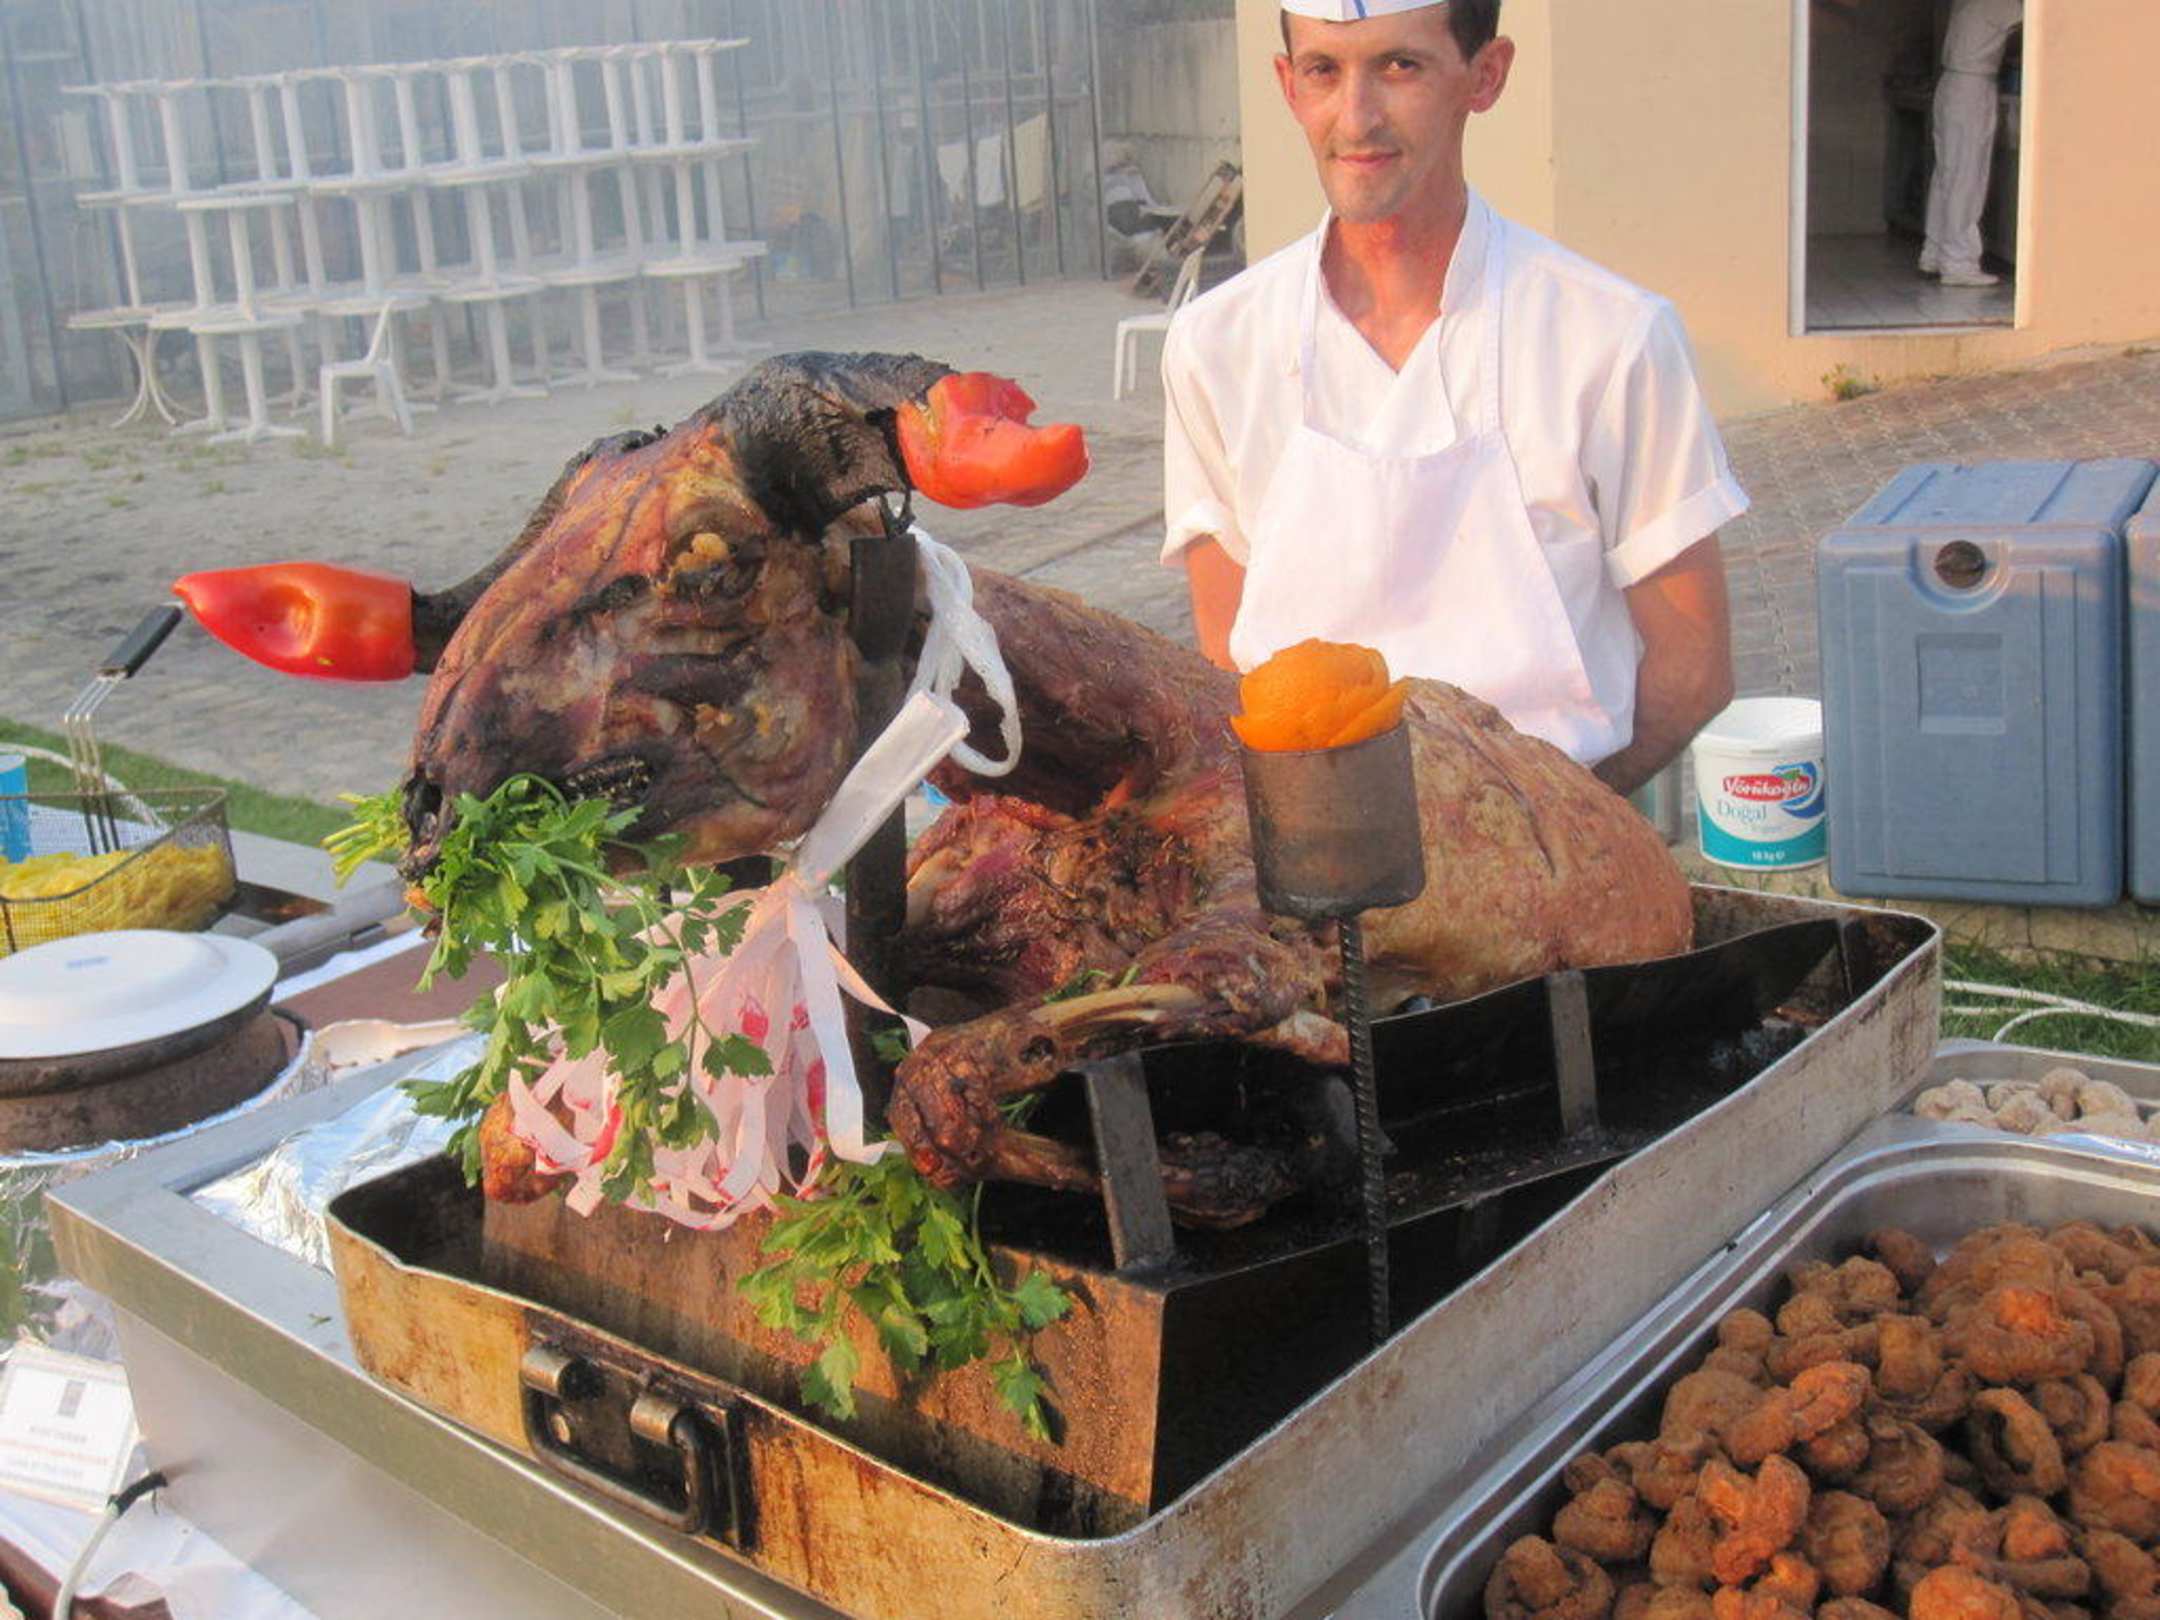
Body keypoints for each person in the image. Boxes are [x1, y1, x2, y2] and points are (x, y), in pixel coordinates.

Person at [1161, 0, 1745, 797]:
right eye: (1324, 70)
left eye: (1400, 66)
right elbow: (1225, 660)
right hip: (1304, 846)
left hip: (1559, 833)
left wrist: (1554, 832)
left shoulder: (1610, 337)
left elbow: (1694, 668)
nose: (1356, 118)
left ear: (1486, 76)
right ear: (1288, 86)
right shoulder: (1217, 345)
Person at [1920, 0, 2021, 287]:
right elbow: (2045, 17)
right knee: (1967, 176)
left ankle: (1934, 253)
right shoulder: (1998, 4)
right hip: (1973, 87)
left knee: (1947, 175)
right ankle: (1959, 262)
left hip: (1951, 84)